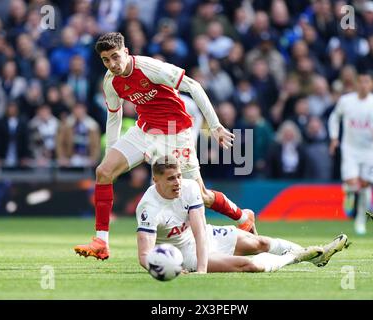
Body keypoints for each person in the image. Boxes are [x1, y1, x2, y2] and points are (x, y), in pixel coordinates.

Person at [74, 32, 255, 260]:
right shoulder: (111, 80)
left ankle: (243, 218)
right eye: (106, 60)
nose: (112, 64)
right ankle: (101, 240)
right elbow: (114, 114)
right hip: (145, 130)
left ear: (126, 52)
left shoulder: (150, 68)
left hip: (175, 133)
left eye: (115, 57)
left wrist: (216, 125)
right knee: (104, 171)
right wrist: (111, 150)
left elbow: (194, 86)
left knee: (201, 195)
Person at [136, 156, 349, 274]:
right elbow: (144, 256)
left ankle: (317, 257)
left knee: (261, 243)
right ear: (156, 181)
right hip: (183, 255)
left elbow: (200, 232)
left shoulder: (190, 187)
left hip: (202, 238)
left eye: (179, 176)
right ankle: (296, 256)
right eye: (171, 178)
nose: (178, 182)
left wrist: (201, 272)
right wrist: (168, 268)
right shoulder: (148, 207)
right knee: (249, 265)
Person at [328, 71, 373, 235]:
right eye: (360, 81)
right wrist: (334, 138)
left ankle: (361, 220)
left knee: (365, 186)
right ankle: (349, 191)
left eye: (366, 82)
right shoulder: (346, 101)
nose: (363, 85)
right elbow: (334, 118)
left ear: (372, 84)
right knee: (353, 182)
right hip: (350, 149)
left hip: (369, 151)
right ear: (356, 84)